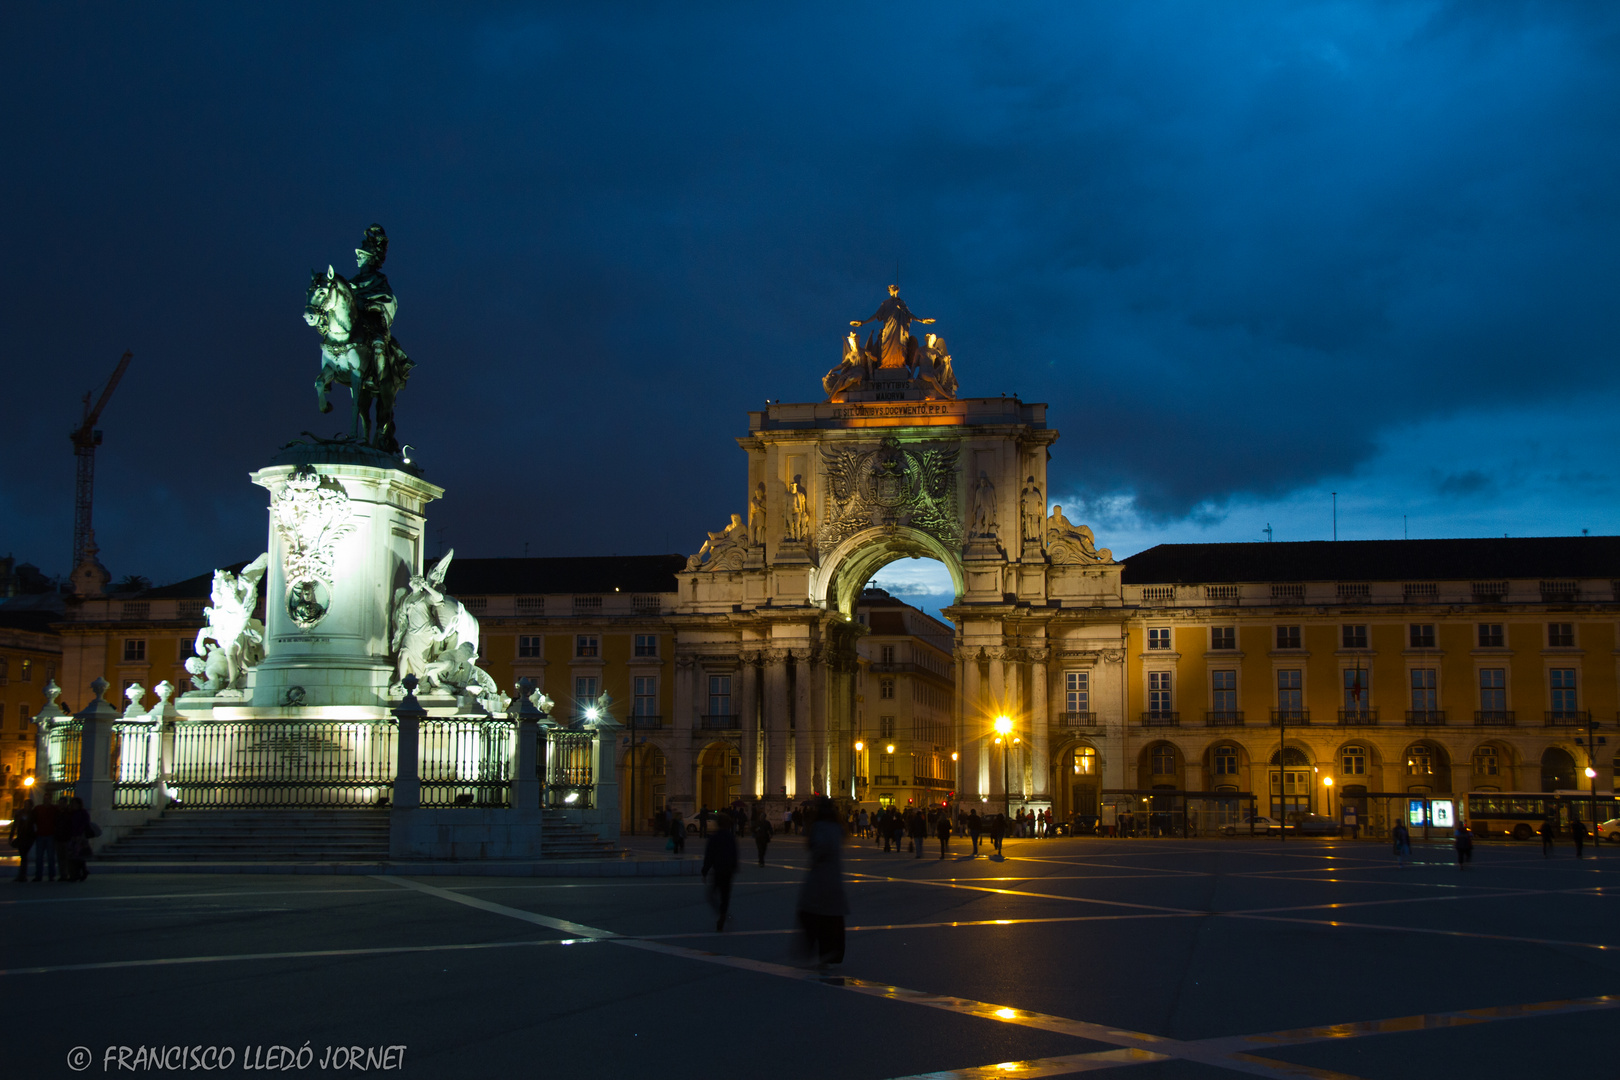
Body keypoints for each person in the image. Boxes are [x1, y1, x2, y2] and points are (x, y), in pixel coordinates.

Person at [796, 799, 849, 969]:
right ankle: (829, 952)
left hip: (819, 877)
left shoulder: (818, 827)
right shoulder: (838, 828)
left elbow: (816, 847)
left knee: (811, 915)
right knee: (831, 919)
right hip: (834, 879)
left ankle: (813, 948)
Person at [701, 814, 739, 931]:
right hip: (728, 871)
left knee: (711, 895)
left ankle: (720, 913)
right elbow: (734, 854)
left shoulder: (714, 837)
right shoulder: (731, 837)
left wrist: (705, 871)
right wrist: (734, 867)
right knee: (725, 896)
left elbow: (709, 855)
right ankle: (723, 913)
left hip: (718, 870)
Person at [31, 794, 58, 882]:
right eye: (45, 799)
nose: (46, 800)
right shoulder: (38, 809)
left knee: (49, 856)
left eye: (47, 799)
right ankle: (40, 875)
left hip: (49, 834)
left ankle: (50, 875)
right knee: (40, 857)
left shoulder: (53, 809)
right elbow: (33, 820)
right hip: (41, 834)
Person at [63, 797, 91, 882]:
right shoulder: (72, 813)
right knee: (74, 857)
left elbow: (84, 823)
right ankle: (79, 873)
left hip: (80, 837)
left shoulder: (82, 813)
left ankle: (79, 873)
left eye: (75, 804)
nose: (73, 805)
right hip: (72, 836)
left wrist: (79, 833)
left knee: (78, 856)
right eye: (72, 804)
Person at [9, 799, 35, 882]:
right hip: (22, 837)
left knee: (24, 855)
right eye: (25, 804)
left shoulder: (32, 814)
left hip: (28, 837)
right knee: (23, 856)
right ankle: (22, 875)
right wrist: (11, 836)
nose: (26, 806)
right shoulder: (22, 814)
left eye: (27, 805)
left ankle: (22, 875)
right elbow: (15, 826)